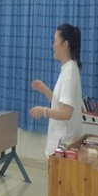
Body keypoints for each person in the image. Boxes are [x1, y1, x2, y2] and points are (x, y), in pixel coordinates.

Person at [30, 24, 83, 157]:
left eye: (55, 41)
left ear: (65, 44)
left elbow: (66, 113)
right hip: (62, 145)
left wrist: (43, 111)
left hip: (63, 147)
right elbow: (61, 103)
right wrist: (45, 90)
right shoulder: (68, 69)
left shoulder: (70, 71)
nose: (52, 45)